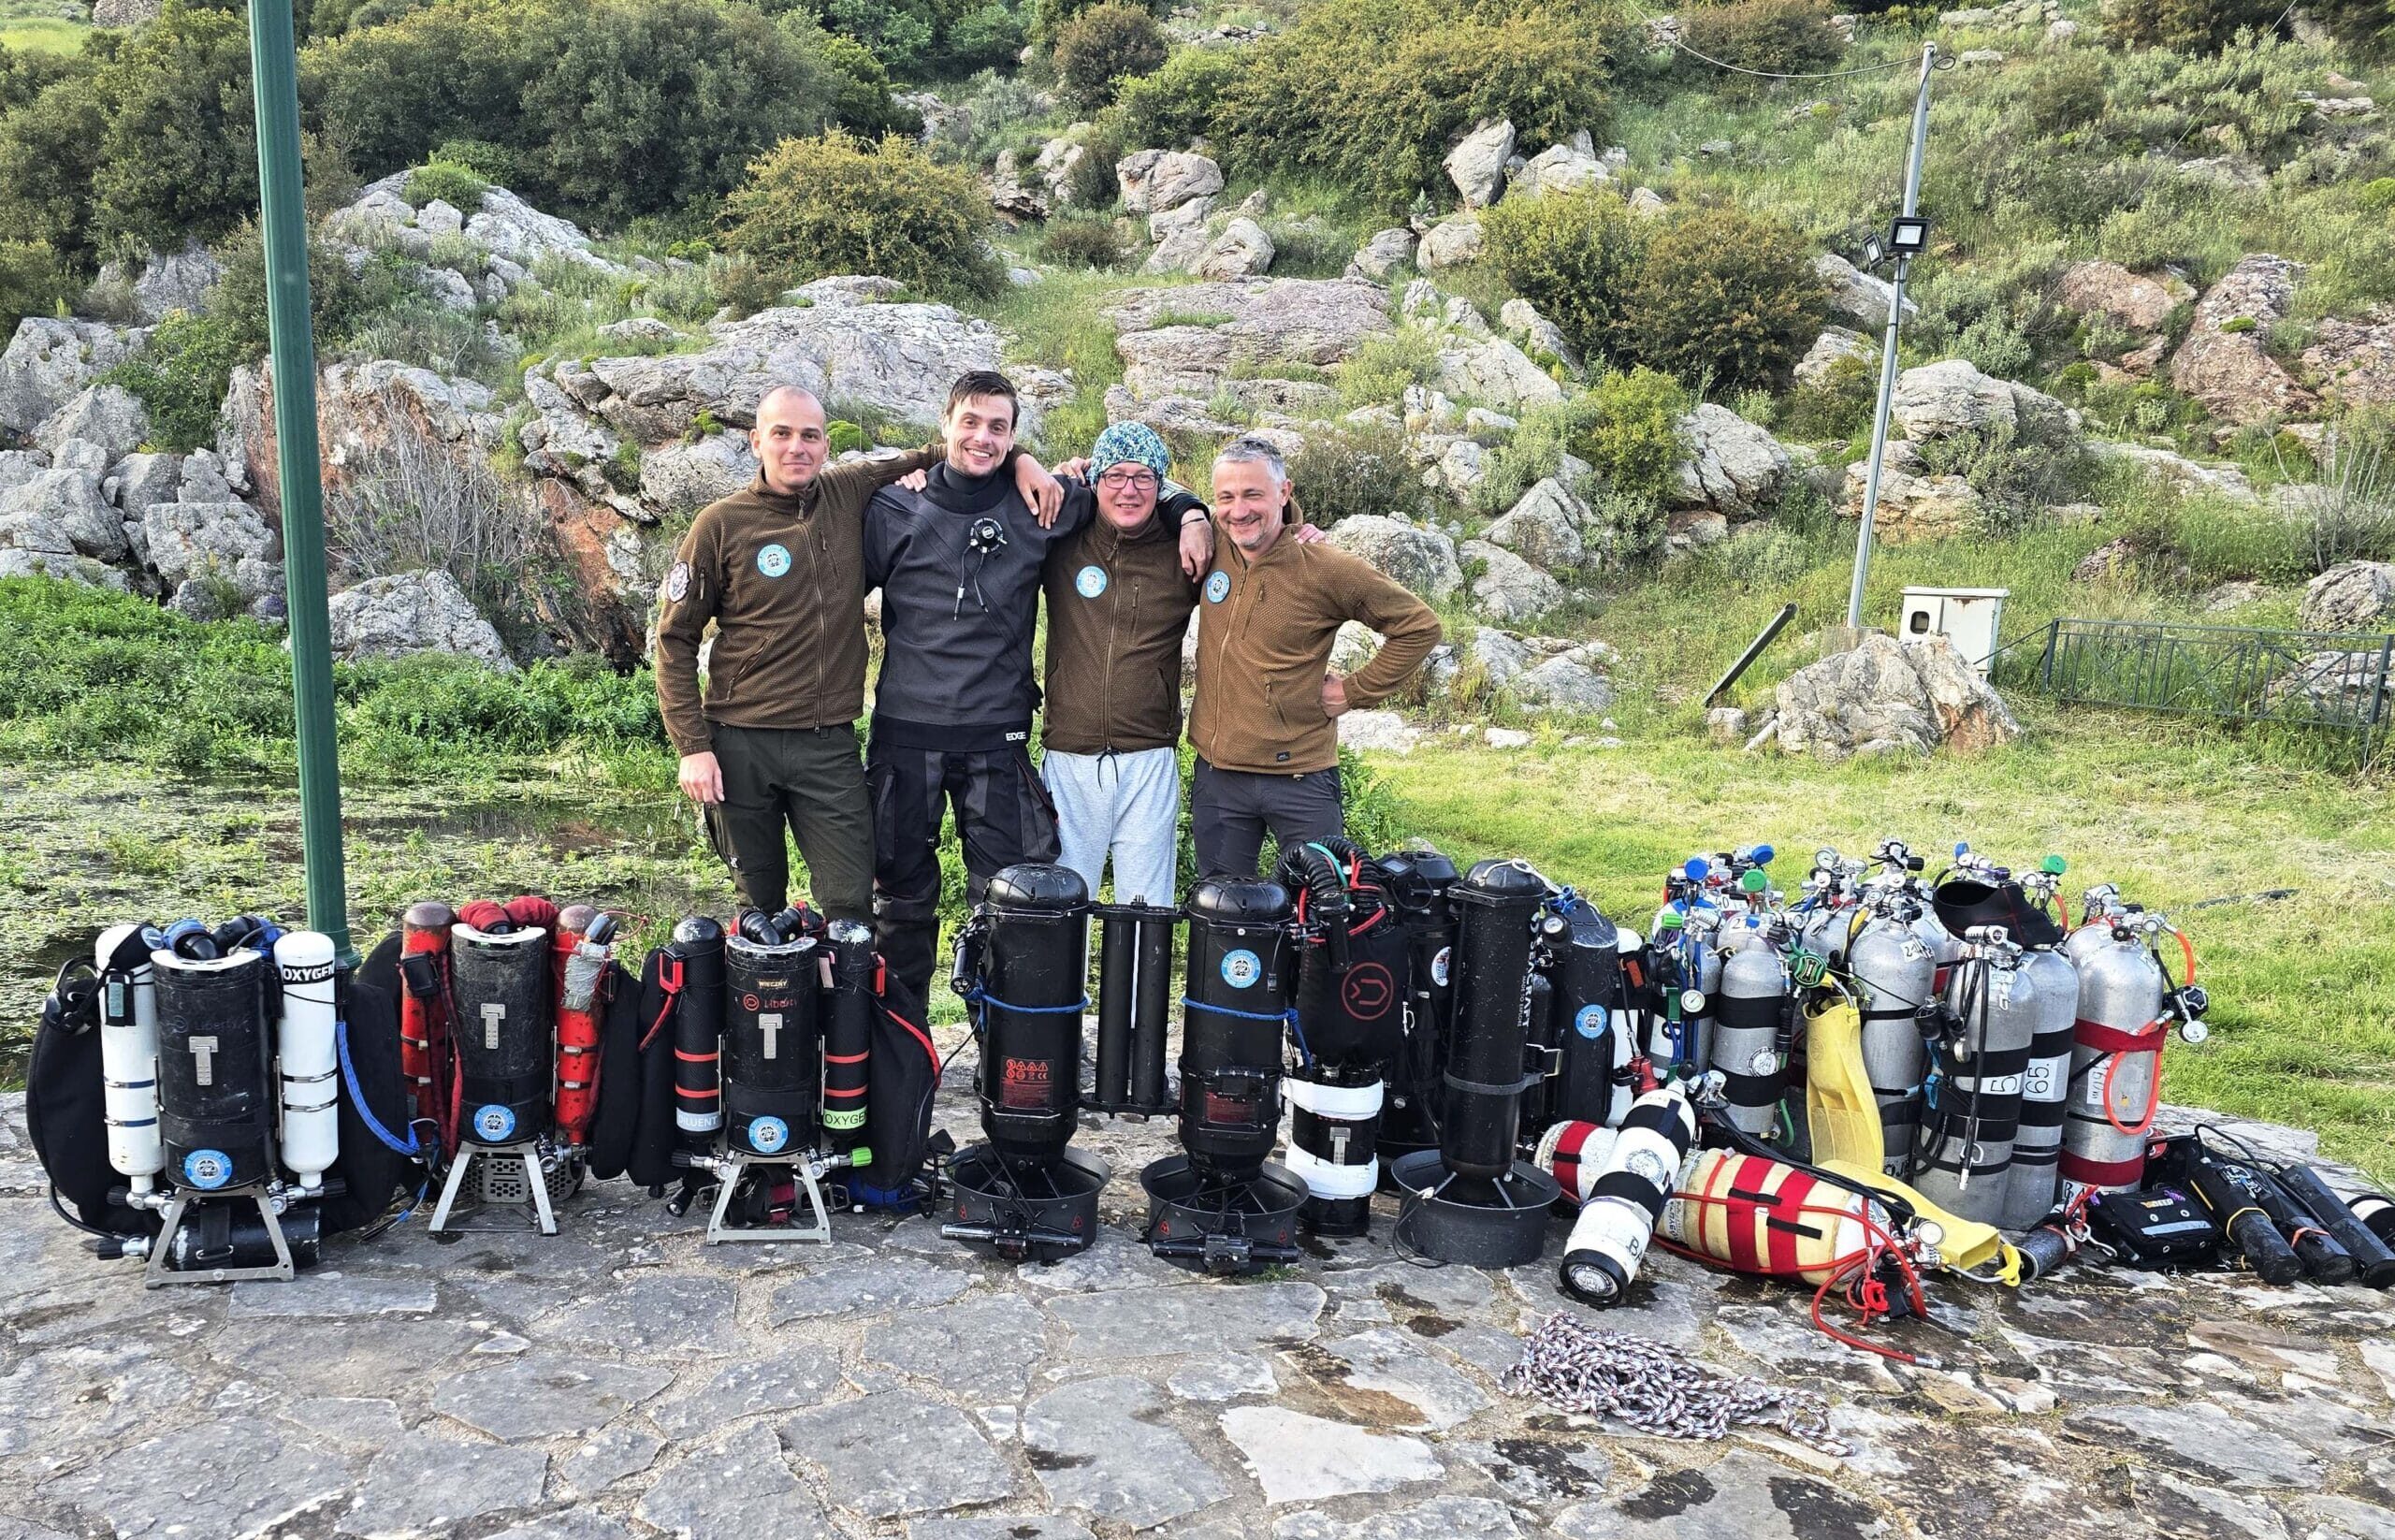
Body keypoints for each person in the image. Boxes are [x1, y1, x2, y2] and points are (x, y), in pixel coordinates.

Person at [654, 385, 1059, 923]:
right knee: (759, 906)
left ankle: (851, 1005)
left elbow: (953, 450)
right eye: (782, 434)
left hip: (828, 744)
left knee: (852, 905)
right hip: (738, 740)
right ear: (756, 442)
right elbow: (673, 639)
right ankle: (772, 1005)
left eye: (810, 436)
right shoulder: (720, 524)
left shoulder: (849, 491)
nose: (797, 448)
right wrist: (692, 747)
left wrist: (1026, 461)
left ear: (825, 447)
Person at [863, 370, 1099, 1010]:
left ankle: (1001, 1043)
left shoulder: (1040, 503)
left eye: (999, 427)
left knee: (1008, 904)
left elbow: (1137, 489)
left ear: (1014, 434)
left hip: (997, 739)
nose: (983, 437)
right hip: (905, 738)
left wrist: (1190, 515)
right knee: (899, 901)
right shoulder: (894, 508)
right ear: (944, 425)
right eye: (970, 421)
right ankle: (901, 1044)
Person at [1186, 435, 1443, 878]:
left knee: (1322, 913)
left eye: (1253, 494)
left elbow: (1418, 626)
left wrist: (1352, 692)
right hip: (1219, 777)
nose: (1238, 509)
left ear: (1284, 494)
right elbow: (1156, 495)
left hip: (1300, 779)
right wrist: (1192, 516)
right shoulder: (1215, 543)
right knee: (1223, 912)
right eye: (1225, 497)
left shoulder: (1323, 566)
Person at [1034, 422, 1215, 906]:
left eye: (1143, 478)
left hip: (1148, 759)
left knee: (1146, 908)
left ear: (1161, 486)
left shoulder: (1186, 549)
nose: (1129, 490)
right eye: (1115, 475)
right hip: (1070, 758)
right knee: (1065, 906)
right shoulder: (1063, 541)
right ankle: (1066, 988)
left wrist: (1196, 514)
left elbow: (1254, 525)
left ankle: (1139, 987)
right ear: (1096, 481)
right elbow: (1018, 490)